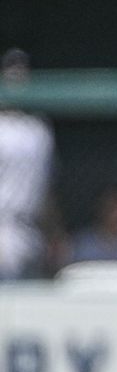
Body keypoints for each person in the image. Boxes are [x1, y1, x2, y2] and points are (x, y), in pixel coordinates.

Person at [0, 48, 56, 279]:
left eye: (22, 74)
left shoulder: (39, 130)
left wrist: (55, 234)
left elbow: (45, 190)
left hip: (28, 229)